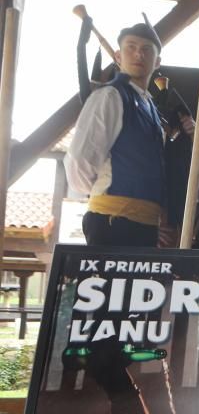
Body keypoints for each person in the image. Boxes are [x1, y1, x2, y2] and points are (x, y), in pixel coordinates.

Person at [65, 16, 165, 246]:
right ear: (118, 57)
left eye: (146, 49)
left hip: (146, 225)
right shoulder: (110, 96)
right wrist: (103, 198)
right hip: (111, 221)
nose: (139, 54)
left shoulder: (151, 108)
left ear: (157, 62)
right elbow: (80, 160)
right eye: (131, 47)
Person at [153, 81, 199, 249]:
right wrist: (149, 228)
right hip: (149, 219)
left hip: (182, 215)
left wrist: (194, 135)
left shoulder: (185, 148)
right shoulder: (145, 143)